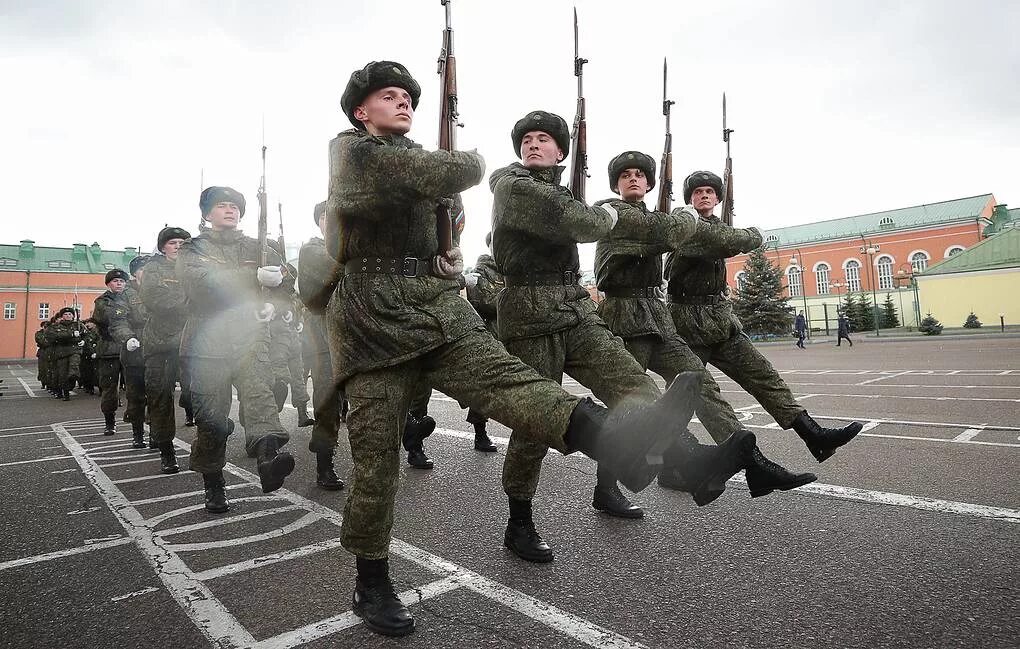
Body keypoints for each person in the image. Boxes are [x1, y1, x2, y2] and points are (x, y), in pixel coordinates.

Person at [325, 61, 740, 637]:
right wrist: (465, 165)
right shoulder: (354, 153)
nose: (402, 104)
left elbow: (436, 222)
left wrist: (444, 260)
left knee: (519, 390)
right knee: (375, 461)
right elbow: (457, 168)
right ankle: (371, 578)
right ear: (359, 111)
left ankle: (624, 444)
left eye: (407, 97)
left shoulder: (412, 167)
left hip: (439, 309)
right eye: (388, 97)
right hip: (374, 323)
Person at [595, 151, 815, 501]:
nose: (633, 179)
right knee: (627, 403)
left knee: (698, 382)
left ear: (651, 183)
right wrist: (682, 228)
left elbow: (692, 238)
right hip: (625, 316)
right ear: (616, 185)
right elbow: (638, 254)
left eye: (640, 174)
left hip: (657, 315)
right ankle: (605, 488)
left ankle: (752, 461)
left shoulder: (658, 221)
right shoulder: (613, 216)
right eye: (624, 175)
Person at [666, 171, 863, 464]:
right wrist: (750, 234)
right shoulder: (685, 226)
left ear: (718, 198)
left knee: (763, 375)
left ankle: (813, 435)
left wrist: (743, 237)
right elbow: (727, 243)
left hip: (720, 320)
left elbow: (732, 241)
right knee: (690, 395)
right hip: (688, 323)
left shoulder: (720, 230)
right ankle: (674, 461)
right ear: (689, 199)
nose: (703, 195)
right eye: (697, 192)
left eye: (709, 191)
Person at [177, 186, 295, 514]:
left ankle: (269, 461)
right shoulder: (192, 249)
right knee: (212, 421)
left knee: (261, 400)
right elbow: (201, 285)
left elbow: (286, 282)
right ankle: (213, 483)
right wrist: (251, 277)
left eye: (235, 206)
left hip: (250, 337)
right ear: (206, 213)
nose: (230, 210)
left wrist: (274, 300)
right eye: (222, 205)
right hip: (207, 345)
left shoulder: (260, 248)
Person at [298, 201, 346, 490]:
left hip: (356, 336)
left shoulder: (355, 250)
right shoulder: (313, 250)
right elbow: (340, 271)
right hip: (324, 337)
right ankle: (324, 465)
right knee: (327, 402)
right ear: (320, 221)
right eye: (329, 216)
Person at [140, 227, 192, 474]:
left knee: (203, 391)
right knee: (160, 398)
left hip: (192, 341)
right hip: (161, 343)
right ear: (163, 247)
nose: (178, 246)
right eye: (173, 243)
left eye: (183, 242)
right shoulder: (154, 269)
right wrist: (193, 303)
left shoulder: (194, 267)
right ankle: (166, 450)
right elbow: (156, 299)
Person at [462, 232, 501, 453]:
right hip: (491, 334)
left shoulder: (513, 269)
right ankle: (480, 432)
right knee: (484, 387)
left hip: (515, 334)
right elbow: (484, 301)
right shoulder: (481, 272)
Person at [93, 269, 131, 434]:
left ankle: (139, 424)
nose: (119, 284)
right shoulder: (101, 301)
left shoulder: (132, 297)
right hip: (109, 348)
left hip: (130, 346)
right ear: (108, 284)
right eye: (115, 281)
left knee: (136, 387)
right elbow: (107, 317)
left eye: (122, 281)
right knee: (109, 388)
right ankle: (110, 421)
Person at [45, 307, 83, 400]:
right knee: (63, 374)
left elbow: (86, 334)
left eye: (70, 314)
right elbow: (53, 336)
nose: (68, 316)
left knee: (74, 367)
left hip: (75, 350)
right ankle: (66, 393)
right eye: (65, 314)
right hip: (61, 352)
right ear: (62, 316)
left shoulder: (78, 325)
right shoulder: (56, 327)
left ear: (73, 316)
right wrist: (71, 335)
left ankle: (72, 380)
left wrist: (83, 341)